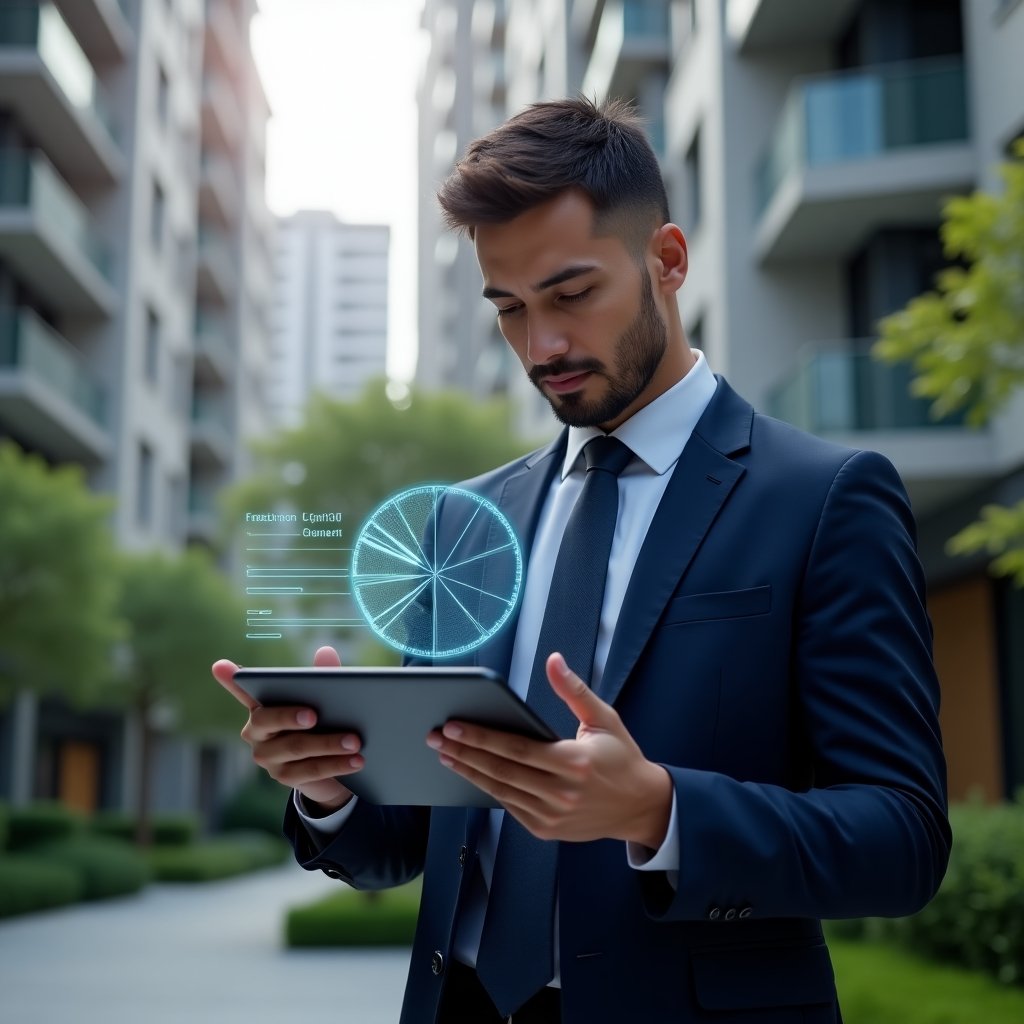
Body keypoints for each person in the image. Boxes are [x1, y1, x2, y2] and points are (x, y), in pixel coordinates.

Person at [213, 97, 950, 1024]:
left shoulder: (825, 498)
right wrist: (328, 783)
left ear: (668, 261)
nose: (541, 347)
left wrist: (659, 810)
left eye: (570, 295)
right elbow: (406, 846)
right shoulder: (462, 522)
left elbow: (903, 839)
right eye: (509, 310)